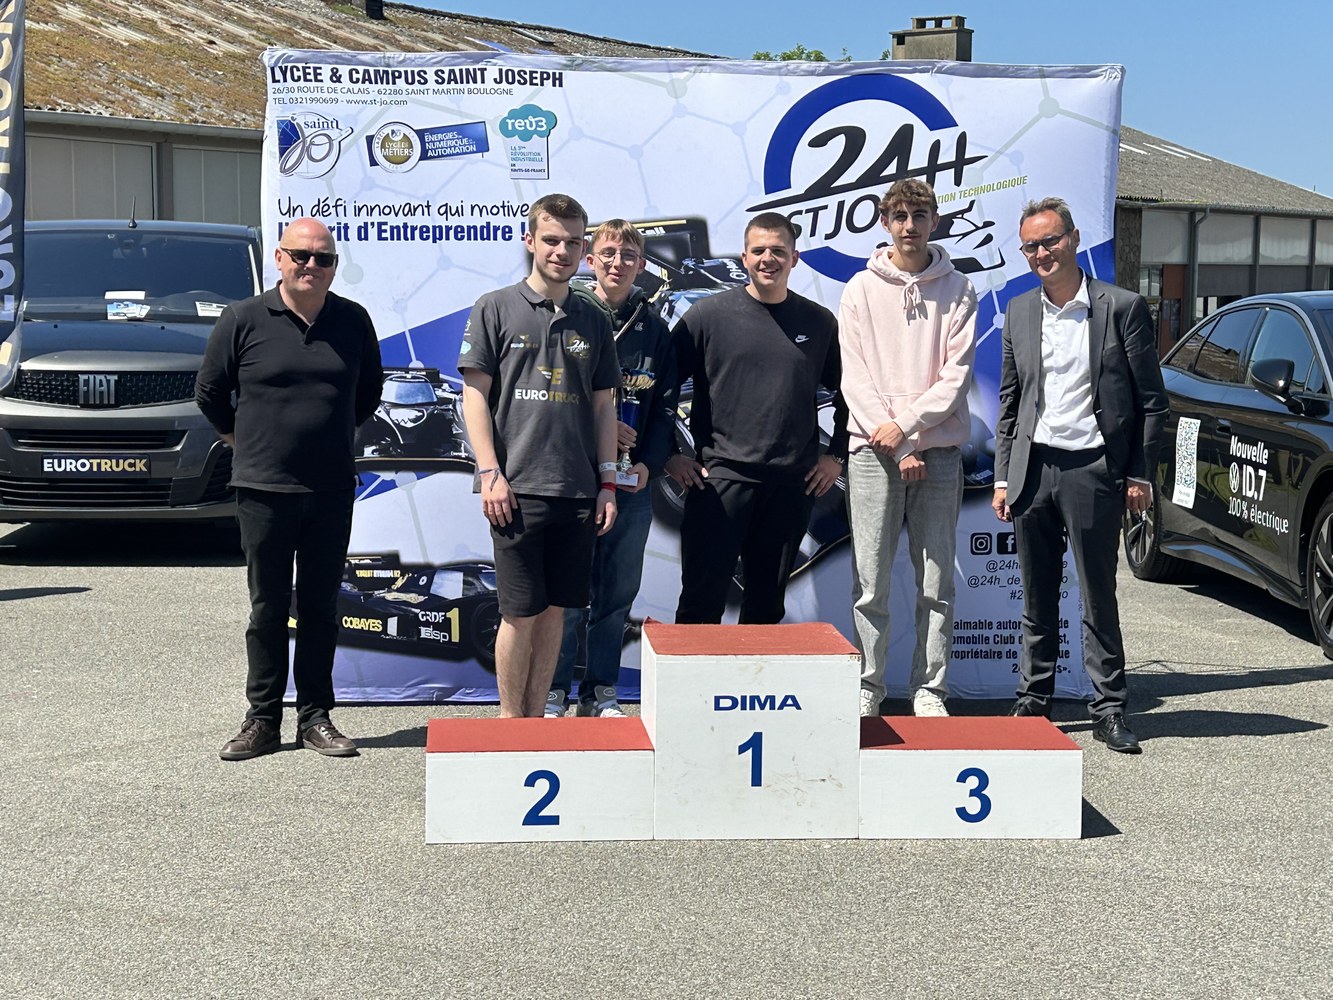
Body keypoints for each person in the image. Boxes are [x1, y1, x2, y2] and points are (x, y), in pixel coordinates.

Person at [197, 217, 382, 761]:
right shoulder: (243, 318)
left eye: (323, 258)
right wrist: (243, 440)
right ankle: (262, 719)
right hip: (263, 489)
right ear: (279, 258)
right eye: (301, 255)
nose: (311, 266)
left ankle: (315, 717)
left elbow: (368, 394)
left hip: (330, 489)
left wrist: (325, 436)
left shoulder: (353, 320)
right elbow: (210, 392)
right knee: (268, 608)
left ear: (334, 267)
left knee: (321, 607)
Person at [993, 197, 1168, 753]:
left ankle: (1109, 708)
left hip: (1094, 468)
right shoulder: (1019, 311)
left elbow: (1152, 401)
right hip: (1033, 470)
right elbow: (1010, 402)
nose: (1041, 253)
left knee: (1097, 596)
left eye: (1050, 240)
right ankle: (1033, 701)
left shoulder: (1122, 307)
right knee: (1036, 596)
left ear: (1073, 238)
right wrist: (1003, 477)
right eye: (1031, 246)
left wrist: (1138, 474)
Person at [458, 193, 620, 718]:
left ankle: (538, 726)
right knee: (518, 614)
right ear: (530, 241)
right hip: (515, 490)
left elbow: (604, 409)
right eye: (551, 240)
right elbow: (474, 396)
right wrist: (490, 473)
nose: (561, 251)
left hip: (576, 490)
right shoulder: (494, 306)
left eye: (572, 242)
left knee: (556, 614)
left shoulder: (593, 318)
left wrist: (608, 483)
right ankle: (512, 724)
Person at [840, 179, 977, 719]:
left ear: (934, 221)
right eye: (899, 215)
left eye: (919, 215)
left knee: (936, 581)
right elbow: (855, 380)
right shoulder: (859, 289)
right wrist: (897, 443)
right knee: (869, 582)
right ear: (885, 223)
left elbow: (955, 380)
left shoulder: (960, 289)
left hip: (936, 454)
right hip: (873, 452)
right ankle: (868, 686)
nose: (909, 225)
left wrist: (908, 432)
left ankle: (930, 689)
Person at [669, 211, 847, 625]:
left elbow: (851, 393)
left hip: (791, 486)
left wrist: (836, 455)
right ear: (745, 258)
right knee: (700, 604)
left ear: (794, 258)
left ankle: (753, 673)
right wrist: (668, 456)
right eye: (760, 250)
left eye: (779, 251)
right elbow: (657, 388)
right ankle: (695, 673)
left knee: (766, 610)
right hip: (719, 482)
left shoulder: (819, 322)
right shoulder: (707, 317)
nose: (769, 259)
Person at [547, 220, 677, 718]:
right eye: (608, 253)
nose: (617, 262)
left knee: (618, 592)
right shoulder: (569, 316)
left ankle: (600, 690)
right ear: (590, 259)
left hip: (631, 483)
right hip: (576, 477)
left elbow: (665, 408)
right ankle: (554, 688)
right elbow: (550, 395)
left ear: (641, 265)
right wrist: (600, 427)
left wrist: (648, 463)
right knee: (569, 589)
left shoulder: (655, 328)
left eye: (627, 255)